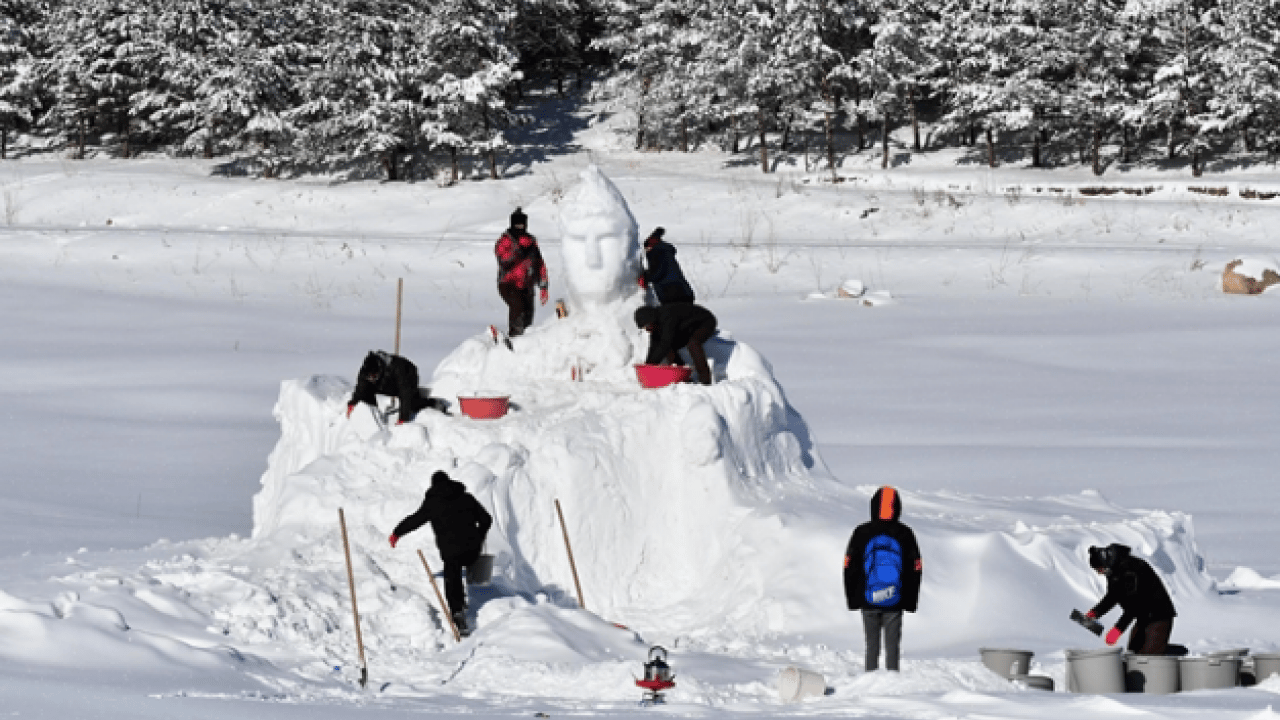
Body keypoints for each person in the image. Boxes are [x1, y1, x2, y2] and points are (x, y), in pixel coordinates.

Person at [389, 470, 493, 636]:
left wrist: (396, 533)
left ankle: (457, 612)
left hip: (451, 551)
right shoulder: (466, 498)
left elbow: (414, 520)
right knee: (468, 564)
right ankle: (471, 595)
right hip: (473, 548)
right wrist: (479, 536)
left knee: (452, 575)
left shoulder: (433, 503)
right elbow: (486, 519)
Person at [843, 486, 923, 672]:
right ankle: (892, 686)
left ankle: (870, 683)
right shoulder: (905, 533)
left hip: (868, 599)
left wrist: (853, 599)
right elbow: (916, 568)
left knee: (872, 647)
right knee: (892, 648)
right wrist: (910, 601)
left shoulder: (861, 532)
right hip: (895, 600)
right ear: (897, 507)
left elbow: (849, 567)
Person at [1084, 543, 1177, 654]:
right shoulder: (1113, 570)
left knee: (1148, 658)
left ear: (1105, 563)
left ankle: (1172, 655)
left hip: (1159, 615)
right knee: (1132, 653)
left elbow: (1134, 605)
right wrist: (1095, 612)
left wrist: (1117, 630)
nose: (1099, 573)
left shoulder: (1131, 569)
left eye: (1099, 569)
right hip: (1143, 616)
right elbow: (1113, 596)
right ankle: (1163, 649)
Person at [347, 350, 445, 424]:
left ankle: (433, 403)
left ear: (379, 369)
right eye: (369, 377)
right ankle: (373, 418)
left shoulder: (399, 369)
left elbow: (405, 394)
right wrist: (353, 403)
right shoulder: (366, 370)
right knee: (366, 393)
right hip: (385, 382)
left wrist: (403, 418)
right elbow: (361, 388)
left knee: (411, 403)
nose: (371, 379)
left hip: (408, 378)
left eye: (373, 376)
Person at [495, 207, 548, 337]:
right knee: (518, 307)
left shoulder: (531, 241)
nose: (520, 228)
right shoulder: (505, 240)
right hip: (508, 284)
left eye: (522, 225)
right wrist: (517, 251)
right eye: (517, 225)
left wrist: (544, 286)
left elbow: (540, 263)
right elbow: (502, 259)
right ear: (512, 224)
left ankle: (525, 340)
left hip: (527, 285)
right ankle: (515, 335)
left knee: (528, 314)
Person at [633, 303, 717, 385]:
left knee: (693, 343)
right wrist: (648, 365)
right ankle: (681, 375)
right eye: (645, 328)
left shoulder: (667, 317)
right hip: (688, 327)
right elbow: (654, 345)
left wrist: (651, 365)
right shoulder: (655, 325)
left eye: (647, 326)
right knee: (669, 348)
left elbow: (665, 343)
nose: (647, 330)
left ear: (652, 319)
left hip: (705, 322)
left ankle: (705, 380)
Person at [640, 227, 695, 304]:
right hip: (684, 292)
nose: (646, 251)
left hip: (672, 294)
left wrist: (645, 278)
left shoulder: (656, 252)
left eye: (646, 249)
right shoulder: (665, 252)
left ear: (650, 246)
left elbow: (657, 272)